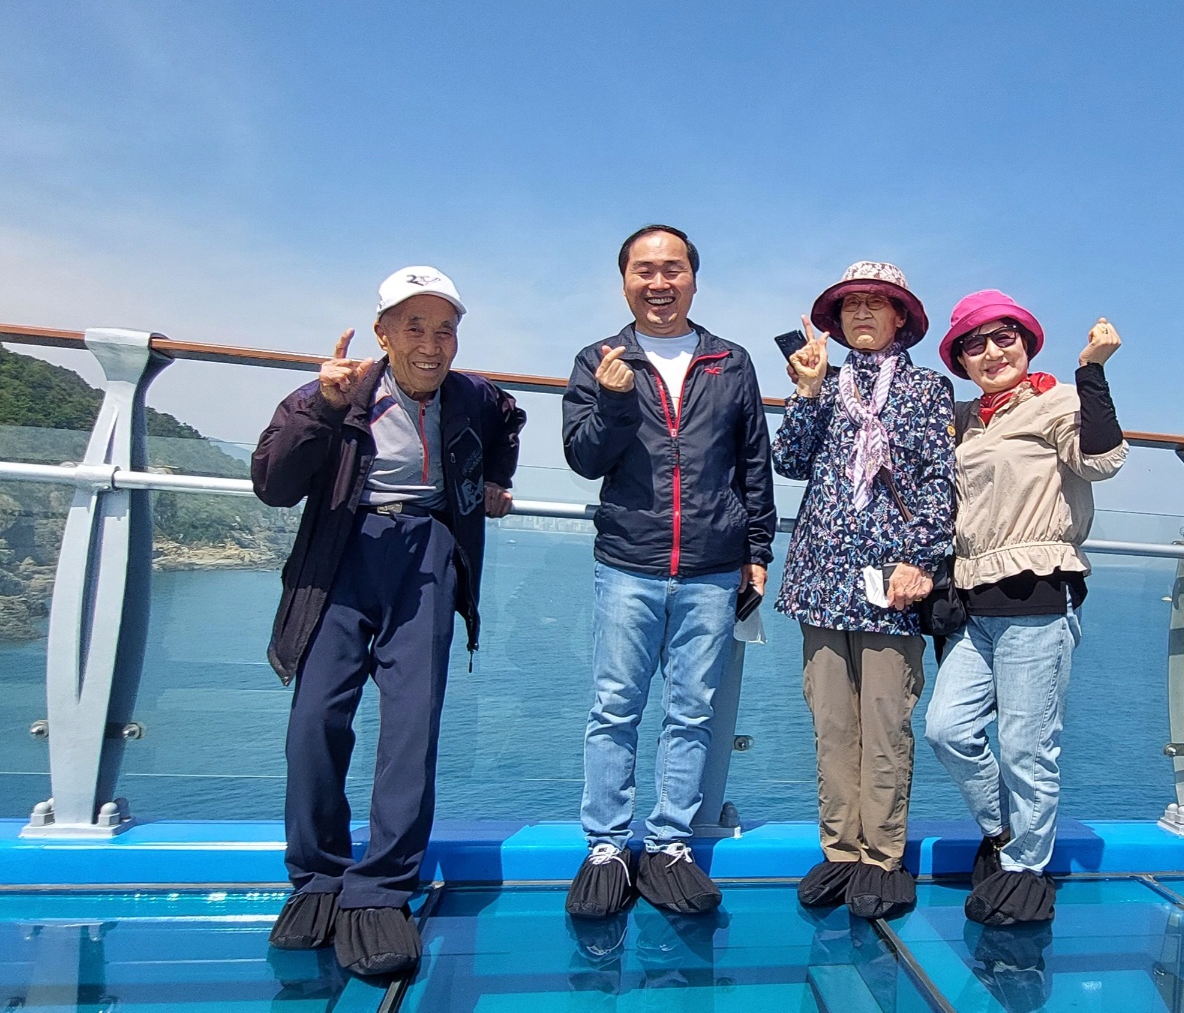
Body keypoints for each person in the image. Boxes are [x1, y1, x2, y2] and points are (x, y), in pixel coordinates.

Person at [252, 265, 526, 975]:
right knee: (316, 716)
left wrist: (495, 479)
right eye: (414, 327)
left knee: (412, 722)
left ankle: (381, 887)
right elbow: (272, 484)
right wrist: (321, 407)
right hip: (344, 551)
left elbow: (509, 419)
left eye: (446, 330)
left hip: (428, 550)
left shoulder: (472, 395)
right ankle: (317, 874)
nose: (432, 345)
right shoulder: (335, 393)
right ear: (382, 334)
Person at [562, 224, 776, 918]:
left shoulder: (730, 362)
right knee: (614, 707)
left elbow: (753, 460)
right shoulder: (599, 359)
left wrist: (757, 552)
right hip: (629, 561)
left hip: (713, 567)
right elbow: (584, 458)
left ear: (693, 278)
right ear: (625, 279)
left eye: (673, 269)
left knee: (692, 711)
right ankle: (605, 846)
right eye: (645, 270)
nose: (660, 283)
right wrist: (615, 401)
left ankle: (670, 843)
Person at [924, 289, 1125, 926]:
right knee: (947, 730)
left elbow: (1100, 460)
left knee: (1026, 747)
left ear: (1026, 342)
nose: (991, 352)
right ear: (961, 360)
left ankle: (1026, 868)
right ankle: (1005, 833)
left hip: (1037, 596)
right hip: (972, 602)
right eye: (974, 344)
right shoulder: (965, 418)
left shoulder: (1057, 400)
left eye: (1003, 337)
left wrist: (1091, 371)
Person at [773, 261, 955, 919]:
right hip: (822, 575)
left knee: (884, 723)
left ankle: (882, 856)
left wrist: (920, 560)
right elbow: (789, 461)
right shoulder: (824, 383)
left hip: (891, 584)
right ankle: (840, 850)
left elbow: (939, 481)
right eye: (852, 305)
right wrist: (807, 392)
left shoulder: (927, 389)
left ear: (901, 316)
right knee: (831, 723)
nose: (863, 314)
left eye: (878, 303)